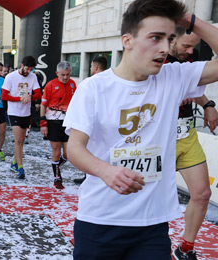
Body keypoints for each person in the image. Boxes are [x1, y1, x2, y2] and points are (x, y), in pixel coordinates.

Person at [64, 0, 218, 258]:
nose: (164, 48)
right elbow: (74, 148)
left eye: (169, 39)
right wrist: (106, 171)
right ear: (128, 40)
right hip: (100, 220)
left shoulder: (173, 77)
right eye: (155, 38)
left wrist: (189, 21)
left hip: (151, 225)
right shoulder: (94, 87)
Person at [166, 28, 217, 260]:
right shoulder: (155, 59)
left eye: (193, 47)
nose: (190, 51)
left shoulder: (188, 59)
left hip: (186, 133)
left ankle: (185, 248)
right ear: (171, 39)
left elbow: (194, 87)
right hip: (159, 138)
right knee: (143, 196)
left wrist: (207, 104)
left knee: (202, 193)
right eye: (186, 46)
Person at [1, 56, 41, 179]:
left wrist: (31, 97)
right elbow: (4, 96)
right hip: (14, 112)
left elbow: (39, 93)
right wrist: (20, 98)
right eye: (27, 69)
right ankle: (20, 167)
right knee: (18, 140)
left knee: (21, 141)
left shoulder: (33, 77)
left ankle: (14, 162)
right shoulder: (10, 77)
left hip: (26, 113)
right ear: (22, 65)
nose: (28, 72)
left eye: (31, 70)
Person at [40, 61, 76, 189]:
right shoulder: (50, 85)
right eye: (63, 75)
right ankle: (57, 177)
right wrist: (43, 123)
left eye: (68, 74)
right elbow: (43, 105)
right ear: (57, 73)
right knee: (56, 151)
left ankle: (55, 166)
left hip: (67, 121)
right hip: (53, 121)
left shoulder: (72, 84)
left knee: (68, 154)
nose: (66, 77)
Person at [73, 56, 107, 185]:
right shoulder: (111, 82)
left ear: (96, 67)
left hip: (94, 121)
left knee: (90, 149)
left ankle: (90, 175)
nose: (91, 68)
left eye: (91, 66)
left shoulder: (90, 83)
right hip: (106, 121)